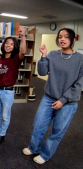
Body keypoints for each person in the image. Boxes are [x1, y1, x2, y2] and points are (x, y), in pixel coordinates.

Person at [22, 28, 83, 164]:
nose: (62, 39)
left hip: (68, 103)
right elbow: (42, 72)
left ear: (73, 39)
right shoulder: (53, 54)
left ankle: (45, 154)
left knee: (57, 131)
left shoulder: (80, 59)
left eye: (66, 37)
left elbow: (79, 84)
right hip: (49, 97)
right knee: (38, 125)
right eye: (60, 36)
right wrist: (43, 56)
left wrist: (63, 100)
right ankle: (33, 148)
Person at [0, 26, 26, 144]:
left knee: (5, 115)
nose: (8, 45)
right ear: (3, 45)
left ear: (15, 46)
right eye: (6, 43)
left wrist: (23, 36)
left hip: (8, 92)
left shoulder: (16, 59)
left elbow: (23, 51)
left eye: (12, 44)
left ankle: (2, 134)